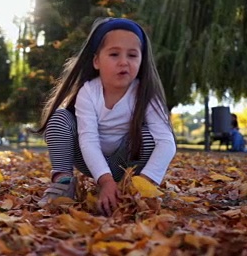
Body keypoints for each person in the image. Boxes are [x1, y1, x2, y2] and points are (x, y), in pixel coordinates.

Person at [34, 17, 177, 216]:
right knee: (60, 118)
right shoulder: (88, 92)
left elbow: (167, 143)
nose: (124, 62)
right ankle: (63, 183)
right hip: (89, 159)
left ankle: (134, 190)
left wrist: (145, 181)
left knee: (149, 136)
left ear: (142, 60)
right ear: (96, 61)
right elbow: (89, 140)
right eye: (114, 54)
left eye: (133, 55)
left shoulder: (146, 95)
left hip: (128, 162)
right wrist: (105, 181)